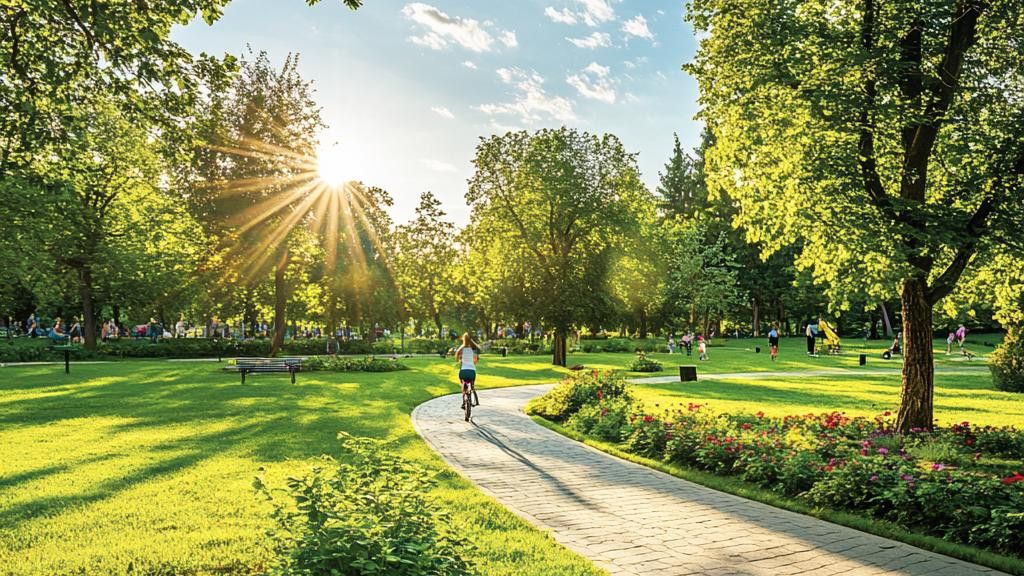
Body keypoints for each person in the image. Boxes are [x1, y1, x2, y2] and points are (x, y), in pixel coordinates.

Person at [455, 332, 480, 420]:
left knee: (463, 384)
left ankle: (464, 401)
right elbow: (476, 361)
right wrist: (472, 362)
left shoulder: (461, 349)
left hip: (463, 372)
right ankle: (472, 389)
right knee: (471, 384)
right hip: (472, 372)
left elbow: (457, 355)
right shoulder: (474, 349)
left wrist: (460, 360)